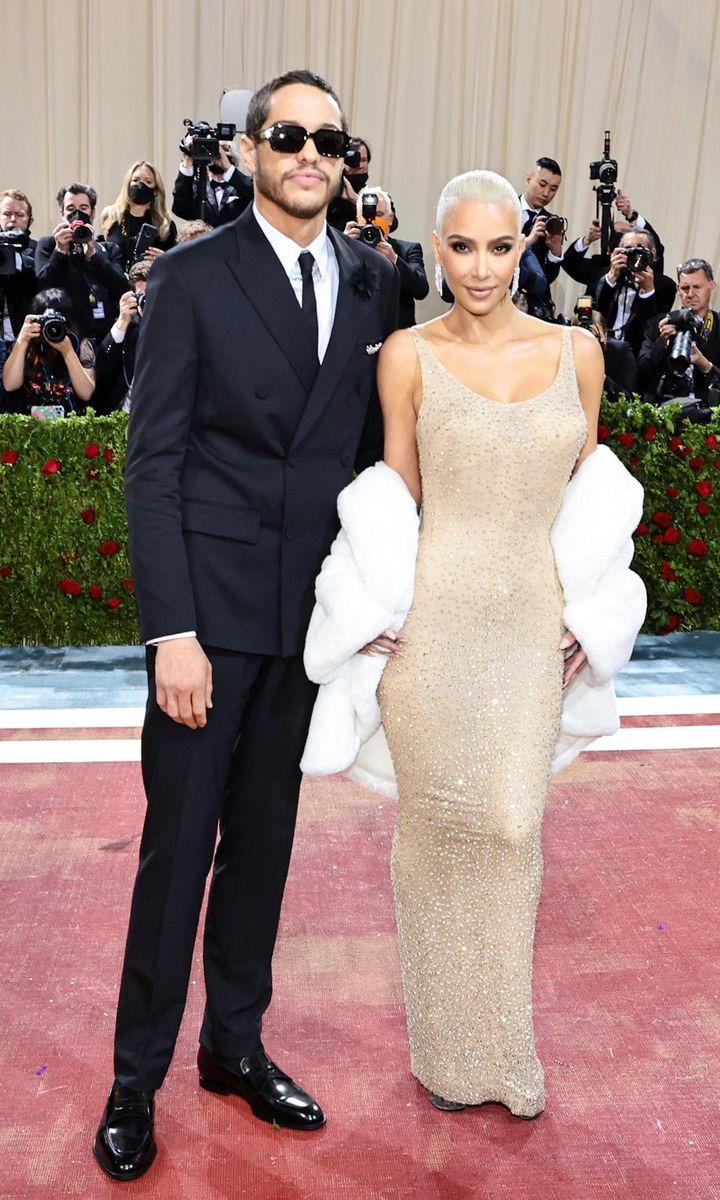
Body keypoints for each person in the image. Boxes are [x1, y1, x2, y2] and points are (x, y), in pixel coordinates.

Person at [93, 68, 399, 1183]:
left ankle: (234, 1047)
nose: (310, 152)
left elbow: (370, 467)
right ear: (250, 150)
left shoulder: (377, 284)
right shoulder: (189, 277)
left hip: (307, 627)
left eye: (329, 137)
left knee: (265, 850)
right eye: (288, 134)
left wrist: (375, 603)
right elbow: (153, 463)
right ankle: (135, 1081)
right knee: (178, 858)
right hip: (207, 630)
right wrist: (170, 629)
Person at [35, 183, 127, 344]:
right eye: (71, 208)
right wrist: (60, 251)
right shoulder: (48, 245)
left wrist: (93, 255)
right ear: (62, 213)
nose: (77, 214)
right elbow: (43, 285)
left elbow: (122, 288)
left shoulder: (109, 249)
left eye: (83, 208)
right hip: (64, 334)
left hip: (104, 334)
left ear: (92, 212)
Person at [638, 258, 720, 404]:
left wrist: (705, 365)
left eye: (697, 287)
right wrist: (662, 342)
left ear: (712, 286)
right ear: (677, 289)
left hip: (709, 412)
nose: (690, 294)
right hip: (663, 407)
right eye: (685, 288)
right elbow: (641, 375)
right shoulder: (658, 324)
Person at [345, 186, 429, 327]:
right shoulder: (346, 248)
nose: (372, 221)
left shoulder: (408, 249)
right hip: (356, 332)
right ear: (357, 219)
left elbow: (421, 290)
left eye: (378, 214)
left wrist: (394, 260)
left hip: (397, 334)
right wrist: (342, 246)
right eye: (365, 216)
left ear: (390, 218)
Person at [1, 286, 95, 413]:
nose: (52, 327)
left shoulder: (79, 345)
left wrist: (68, 351)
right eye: (46, 321)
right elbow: (10, 385)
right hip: (30, 426)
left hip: (70, 424)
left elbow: (86, 393)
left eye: (56, 321)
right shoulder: (26, 344)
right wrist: (22, 341)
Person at [593, 227, 676, 358]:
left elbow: (652, 331)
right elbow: (597, 312)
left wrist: (647, 291)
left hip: (635, 356)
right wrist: (611, 278)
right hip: (602, 349)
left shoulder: (665, 286)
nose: (634, 255)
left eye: (639, 250)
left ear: (653, 254)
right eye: (628, 250)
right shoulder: (607, 274)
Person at [94, 261, 151, 412]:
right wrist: (122, 321)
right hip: (128, 415)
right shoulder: (129, 327)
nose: (148, 301)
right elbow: (102, 367)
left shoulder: (178, 324)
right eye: (142, 296)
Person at [100, 161, 177, 271]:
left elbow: (176, 265)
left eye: (148, 181)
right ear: (128, 184)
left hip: (150, 283)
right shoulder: (111, 216)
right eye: (135, 180)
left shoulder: (165, 225)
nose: (140, 185)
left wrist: (164, 260)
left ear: (155, 190)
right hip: (117, 284)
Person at [172, 137, 253, 227]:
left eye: (224, 148)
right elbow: (179, 208)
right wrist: (187, 163)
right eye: (214, 148)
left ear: (233, 156)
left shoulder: (242, 186)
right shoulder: (197, 188)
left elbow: (255, 195)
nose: (219, 153)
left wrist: (228, 168)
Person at [0, 188, 38, 340]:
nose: (13, 219)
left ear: (30, 219)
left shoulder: (38, 248)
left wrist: (18, 261)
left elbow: (45, 280)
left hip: (26, 332)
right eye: (7, 214)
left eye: (19, 214)